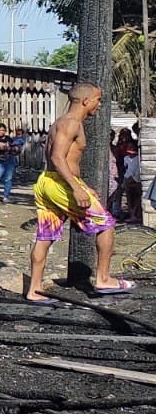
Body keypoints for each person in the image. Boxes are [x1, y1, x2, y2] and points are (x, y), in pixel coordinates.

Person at [25, 82, 132, 301]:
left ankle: (34, 290)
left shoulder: (61, 122)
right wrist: (76, 189)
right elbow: (57, 157)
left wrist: (83, 185)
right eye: (98, 100)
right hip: (61, 185)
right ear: (86, 101)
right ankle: (104, 278)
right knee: (106, 224)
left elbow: (67, 160)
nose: (99, 105)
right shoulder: (71, 123)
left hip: (48, 182)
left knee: (45, 235)